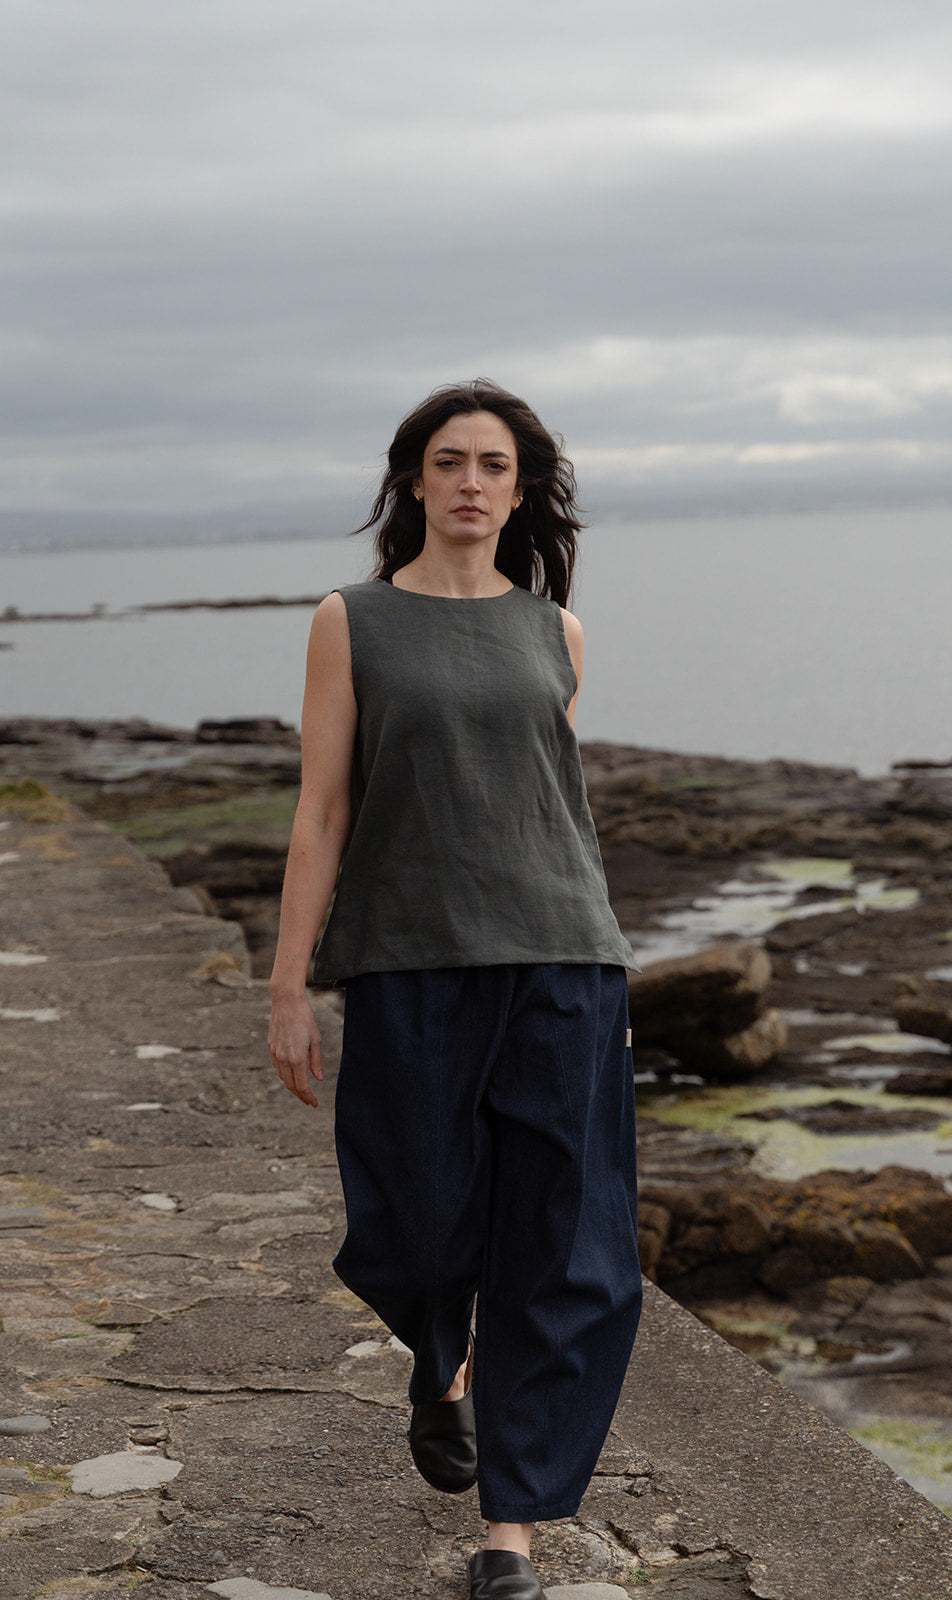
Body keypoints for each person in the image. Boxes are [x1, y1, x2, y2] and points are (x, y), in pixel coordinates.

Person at [268, 379, 642, 1600]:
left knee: (561, 1245)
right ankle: (440, 1362)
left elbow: (549, 806)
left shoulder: (557, 632)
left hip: (562, 956)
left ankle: (511, 1530)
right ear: (414, 482)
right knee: (416, 1224)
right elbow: (322, 810)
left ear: (519, 490)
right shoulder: (352, 619)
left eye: (493, 464)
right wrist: (287, 982)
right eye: (449, 461)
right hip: (410, 959)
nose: (471, 481)